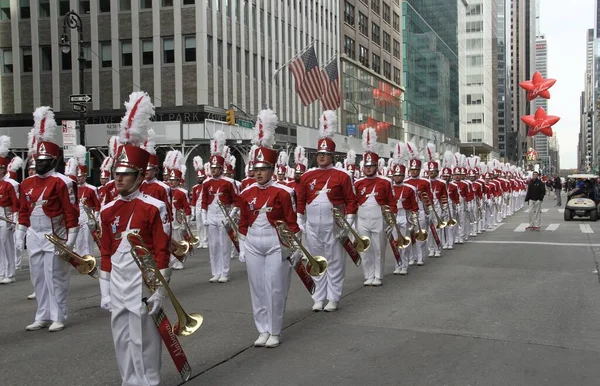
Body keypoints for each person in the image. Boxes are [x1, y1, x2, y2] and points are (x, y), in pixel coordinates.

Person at [99, 91, 171, 386]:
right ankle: (129, 381)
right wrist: (104, 289)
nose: (119, 179)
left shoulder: (155, 206)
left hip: (144, 279)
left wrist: (161, 290)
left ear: (140, 176)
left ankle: (150, 381)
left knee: (145, 336)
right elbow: (105, 251)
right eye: (117, 173)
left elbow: (163, 250)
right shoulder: (107, 209)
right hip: (117, 280)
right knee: (122, 336)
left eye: (126, 174)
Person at [237, 109, 299, 348]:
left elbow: (292, 221)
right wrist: (242, 245)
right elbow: (242, 221)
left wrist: (293, 247)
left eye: (263, 169)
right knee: (257, 288)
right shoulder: (246, 192)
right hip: (253, 242)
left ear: (272, 170)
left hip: (275, 242)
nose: (259, 173)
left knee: (274, 287)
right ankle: (261, 329)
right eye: (256, 169)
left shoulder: (284, 192)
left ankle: (274, 330)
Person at [15, 107, 80, 332]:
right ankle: (42, 315)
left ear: (54, 160)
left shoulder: (63, 182)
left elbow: (71, 212)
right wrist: (21, 232)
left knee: (56, 277)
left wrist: (71, 238)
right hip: (34, 234)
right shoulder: (26, 183)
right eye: (37, 160)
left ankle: (58, 315)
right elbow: (24, 210)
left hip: (56, 235)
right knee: (38, 278)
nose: (39, 164)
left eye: (44, 160)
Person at [296, 110, 357, 312]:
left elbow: (350, 200)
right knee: (315, 260)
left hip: (334, 226)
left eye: (326, 155)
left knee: (335, 261)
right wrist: (299, 219)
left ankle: (333, 297)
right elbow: (301, 199)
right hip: (312, 226)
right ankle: (318, 296)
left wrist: (348, 224)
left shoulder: (342, 175)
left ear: (332, 156)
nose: (322, 157)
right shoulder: (307, 176)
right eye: (319, 154)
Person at [354, 128, 397, 286]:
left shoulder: (385, 181)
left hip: (379, 217)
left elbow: (392, 201)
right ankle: (368, 275)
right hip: (363, 217)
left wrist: (391, 220)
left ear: (376, 166)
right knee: (365, 248)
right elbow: (353, 201)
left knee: (379, 248)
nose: (368, 169)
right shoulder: (357, 183)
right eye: (366, 166)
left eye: (371, 166)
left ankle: (378, 275)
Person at [201, 130, 240, 283]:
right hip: (211, 216)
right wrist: (204, 217)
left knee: (224, 246)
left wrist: (231, 216)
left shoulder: (229, 183)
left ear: (222, 168)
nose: (214, 170)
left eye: (217, 168)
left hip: (225, 216)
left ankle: (225, 272)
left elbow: (237, 201)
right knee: (214, 246)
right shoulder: (206, 183)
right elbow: (203, 201)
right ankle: (215, 272)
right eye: (212, 168)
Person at [73, 146, 101, 257]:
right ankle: (81, 259)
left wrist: (95, 219)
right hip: (77, 217)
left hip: (87, 217)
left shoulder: (92, 189)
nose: (79, 179)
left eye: (81, 176)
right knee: (78, 240)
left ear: (85, 176)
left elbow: (97, 206)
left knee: (88, 240)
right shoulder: (73, 188)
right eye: (77, 176)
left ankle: (90, 258)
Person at [0, 136, 19, 284]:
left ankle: (10, 273)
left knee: (7, 246)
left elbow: (15, 203)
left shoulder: (9, 184)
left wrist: (14, 220)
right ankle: (1, 272)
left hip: (5, 216)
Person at [191, 156, 208, 248]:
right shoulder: (195, 188)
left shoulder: (206, 186)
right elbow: (193, 200)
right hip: (197, 207)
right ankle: (201, 241)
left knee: (205, 225)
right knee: (199, 225)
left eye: (201, 177)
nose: (199, 179)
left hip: (205, 207)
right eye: (198, 177)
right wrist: (193, 211)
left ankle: (205, 241)